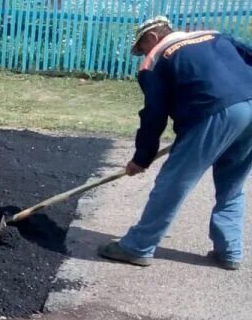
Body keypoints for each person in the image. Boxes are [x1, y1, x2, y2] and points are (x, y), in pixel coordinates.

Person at [98, 15, 252, 271]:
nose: (143, 53)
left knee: (174, 181)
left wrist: (142, 158)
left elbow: (154, 114)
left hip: (214, 111)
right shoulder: (216, 37)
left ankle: (137, 247)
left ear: (152, 37)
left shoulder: (158, 58)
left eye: (142, 47)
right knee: (232, 183)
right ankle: (230, 251)